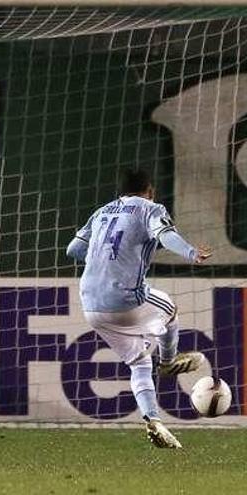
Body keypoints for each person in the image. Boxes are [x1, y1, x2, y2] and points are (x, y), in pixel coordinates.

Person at [66, 169, 211, 449]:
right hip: (124, 298)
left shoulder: (102, 212)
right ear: (150, 190)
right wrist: (192, 253)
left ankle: (153, 420)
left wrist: (105, 258)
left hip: (91, 305)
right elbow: (166, 235)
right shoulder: (150, 209)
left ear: (121, 191)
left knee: (140, 362)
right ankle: (169, 362)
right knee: (170, 308)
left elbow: (73, 249)